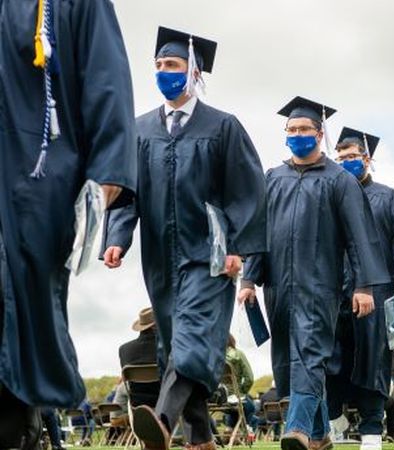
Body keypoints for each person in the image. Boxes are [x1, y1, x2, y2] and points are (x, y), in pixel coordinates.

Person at [103, 27, 267, 450]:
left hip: (209, 254)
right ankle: (201, 439)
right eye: (158, 66)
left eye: (172, 65)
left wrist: (237, 247)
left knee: (194, 335)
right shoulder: (140, 130)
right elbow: (126, 194)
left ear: (194, 72)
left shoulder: (223, 127)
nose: (164, 72)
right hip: (159, 256)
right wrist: (117, 236)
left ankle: (161, 419)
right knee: (174, 341)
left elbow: (246, 192)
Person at [0, 0, 137, 445]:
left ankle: (24, 429)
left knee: (20, 319)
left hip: (37, 188)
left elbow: (106, 82)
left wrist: (108, 176)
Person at [239, 96, 389, 450]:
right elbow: (258, 233)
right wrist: (248, 279)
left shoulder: (339, 180)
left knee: (310, 354)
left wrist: (364, 286)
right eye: (291, 130)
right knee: (287, 362)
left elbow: (358, 236)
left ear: (320, 134)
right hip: (278, 288)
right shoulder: (272, 179)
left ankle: (299, 431)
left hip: (320, 287)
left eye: (304, 129)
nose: (297, 134)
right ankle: (321, 435)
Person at [327, 127, 394, 450]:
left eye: (352, 157)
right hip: (334, 293)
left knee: (372, 362)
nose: (346, 163)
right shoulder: (328, 197)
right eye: (340, 159)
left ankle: (371, 429)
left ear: (367, 159)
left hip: (379, 292)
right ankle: (333, 416)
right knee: (330, 358)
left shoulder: (389, 197)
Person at [119, 307, 160, 408]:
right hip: (164, 402)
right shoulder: (166, 346)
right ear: (156, 326)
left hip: (138, 405)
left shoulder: (124, 349)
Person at [224, 335, 257, 432]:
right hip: (234, 394)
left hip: (215, 397)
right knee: (250, 406)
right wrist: (241, 391)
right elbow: (249, 379)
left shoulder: (211, 355)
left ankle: (229, 429)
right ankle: (242, 430)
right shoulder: (238, 355)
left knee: (235, 407)